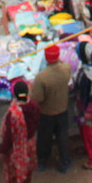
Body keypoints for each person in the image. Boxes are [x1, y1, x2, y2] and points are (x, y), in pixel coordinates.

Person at [0, 77, 37, 183]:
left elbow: (9, 137)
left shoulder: (13, 114)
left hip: (16, 149)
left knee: (11, 179)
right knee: (27, 173)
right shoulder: (34, 106)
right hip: (30, 145)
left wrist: (2, 150)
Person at [32, 44, 73, 175]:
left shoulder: (41, 77)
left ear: (45, 57)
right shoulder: (66, 69)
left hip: (47, 113)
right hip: (62, 110)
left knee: (44, 139)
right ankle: (64, 163)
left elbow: (37, 98)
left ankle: (42, 162)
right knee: (62, 138)